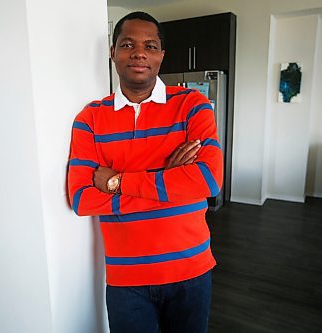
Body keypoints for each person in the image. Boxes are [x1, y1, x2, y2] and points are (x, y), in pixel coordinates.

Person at [68, 11, 223, 333]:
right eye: (127, 44)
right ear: (113, 52)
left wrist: (115, 181)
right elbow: (82, 199)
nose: (139, 52)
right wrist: (171, 184)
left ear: (161, 56)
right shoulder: (90, 118)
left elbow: (209, 180)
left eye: (150, 46)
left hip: (191, 269)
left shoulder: (193, 105)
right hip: (127, 277)